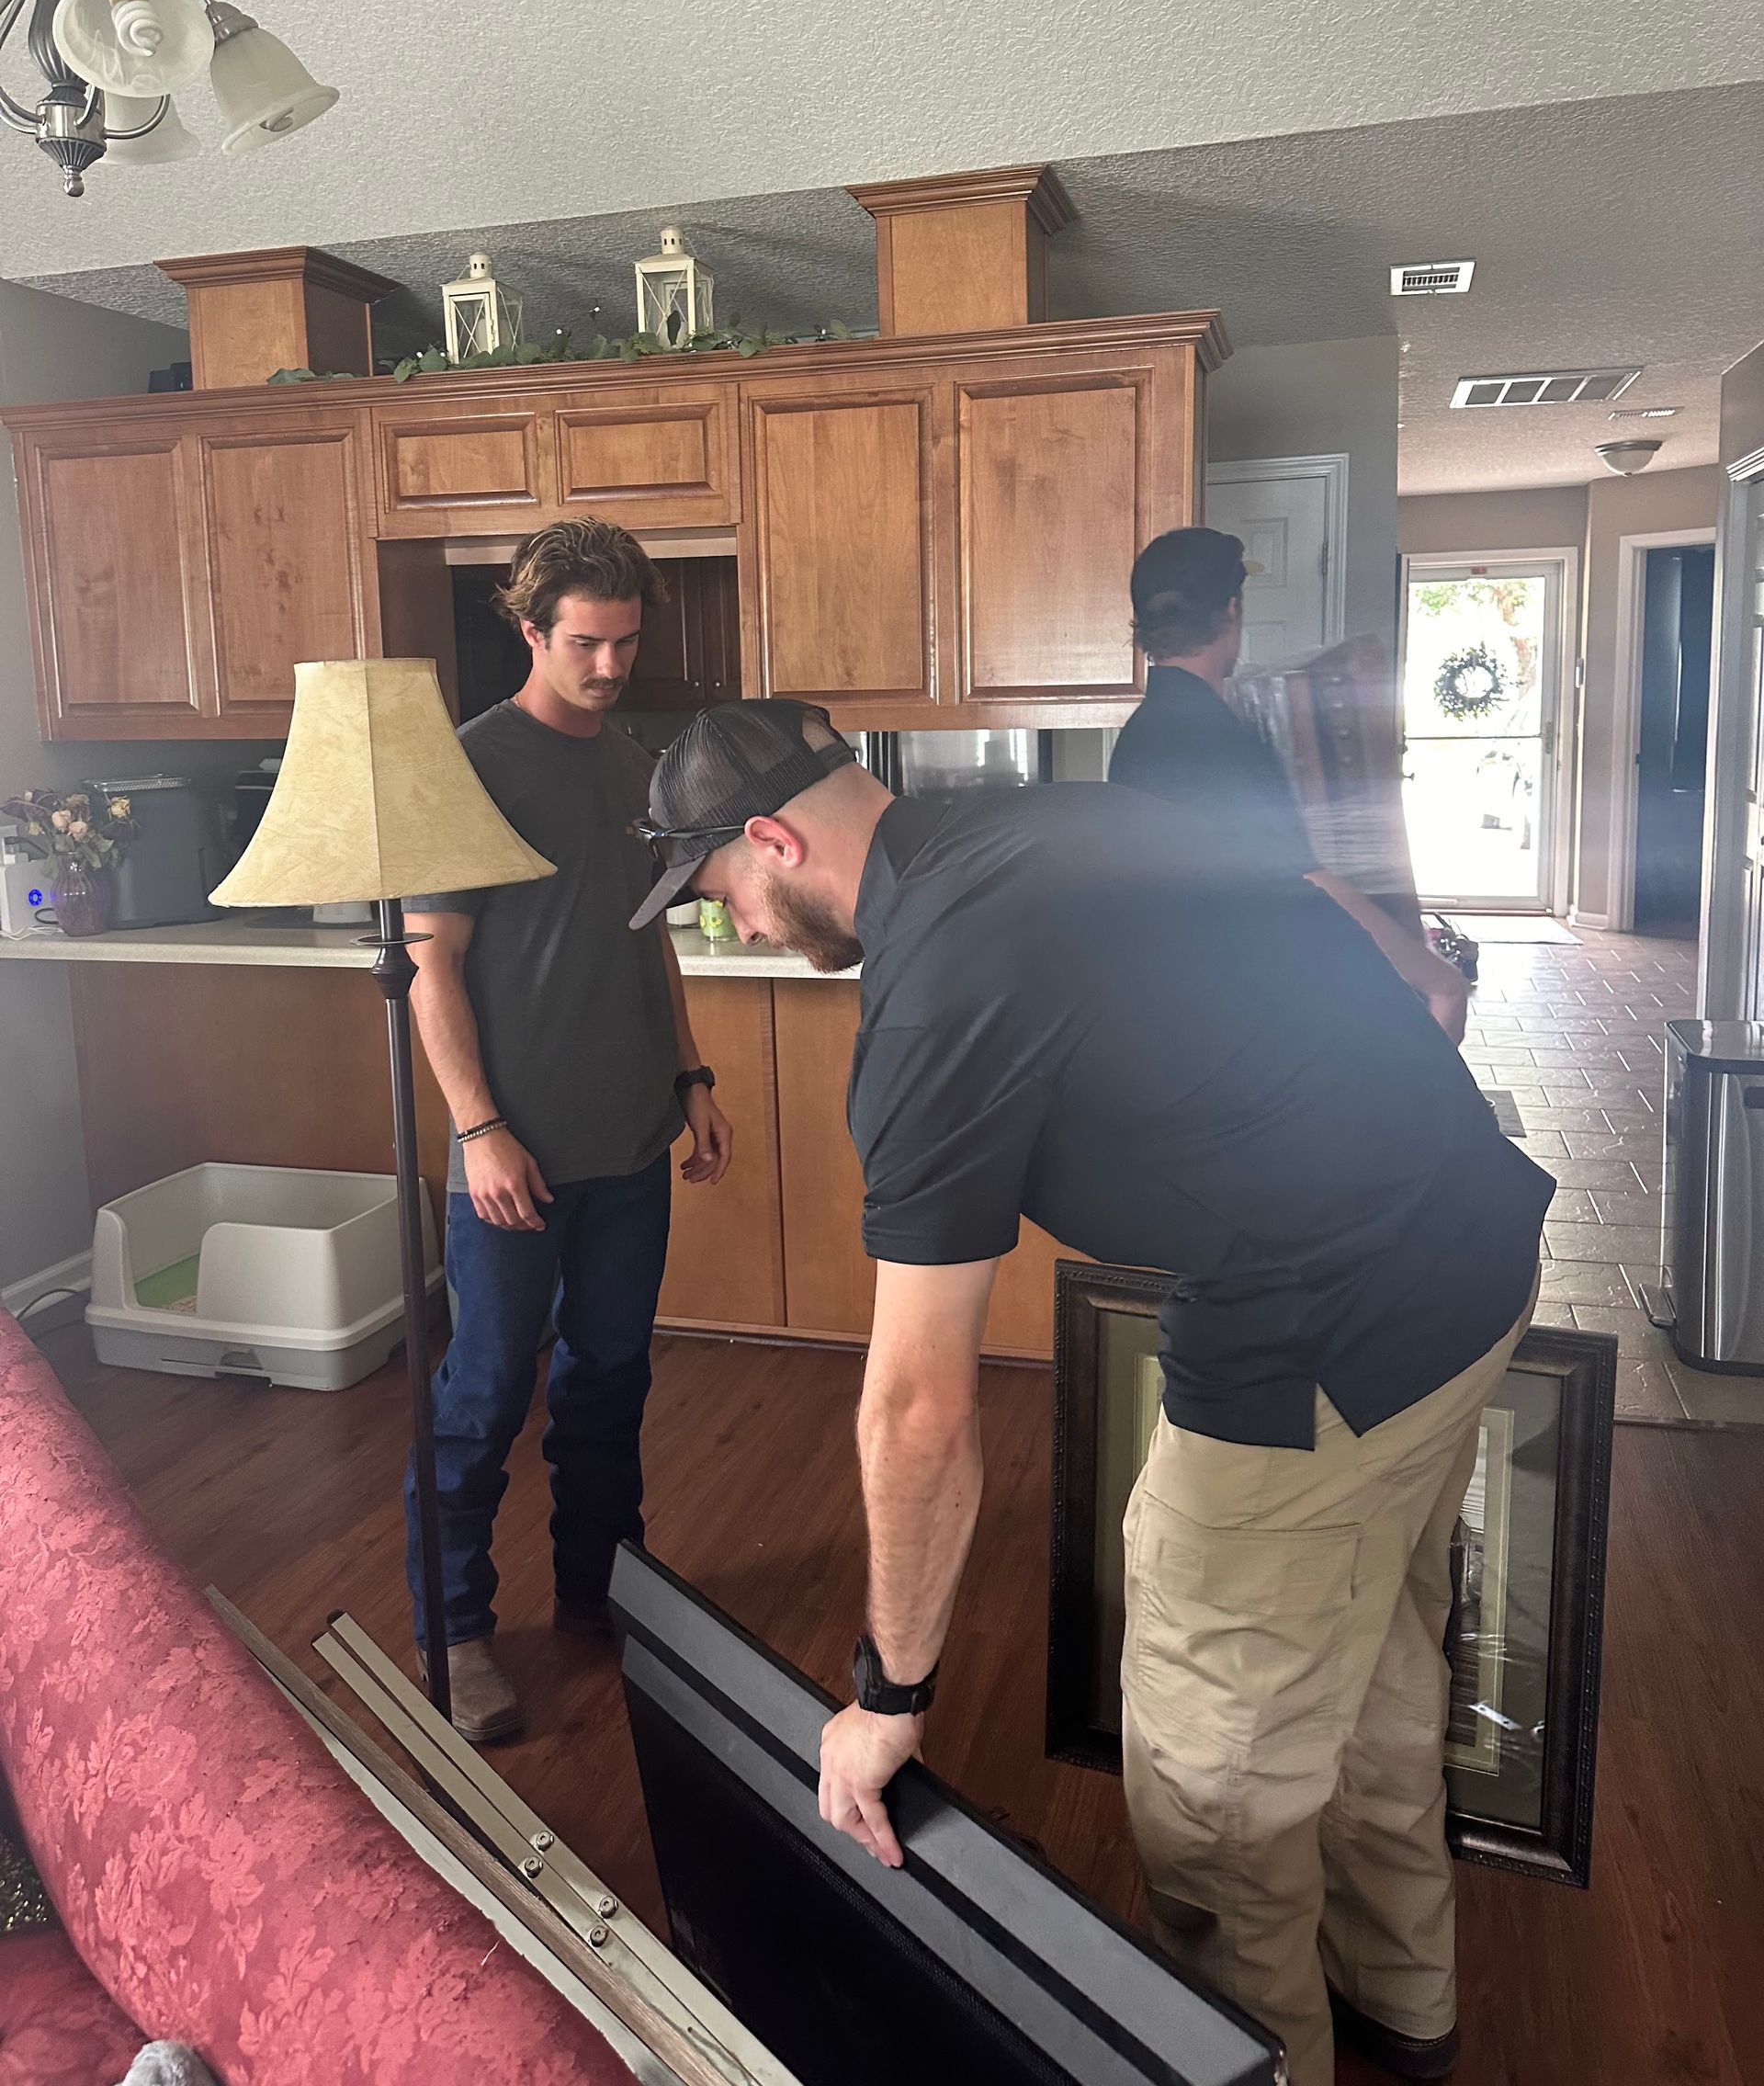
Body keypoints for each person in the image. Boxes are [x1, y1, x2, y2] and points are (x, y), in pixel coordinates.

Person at [628, 697, 1552, 2086]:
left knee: (1214, 1770)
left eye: (723, 898)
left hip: (1324, 1325)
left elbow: (918, 1410)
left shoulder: (934, 993)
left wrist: (892, 1695)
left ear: (774, 840)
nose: (736, 932)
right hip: (1475, 1244)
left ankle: (1267, 2061)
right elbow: (1307, 885)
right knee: (1371, 1660)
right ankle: (1406, 2013)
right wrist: (1419, 1007)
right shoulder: (1040, 815)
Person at [404, 518, 731, 1743]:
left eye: (626, 642)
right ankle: (455, 1631)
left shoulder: (634, 763)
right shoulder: (470, 766)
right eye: (586, 643)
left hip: (629, 1142)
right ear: (531, 632)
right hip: (512, 1158)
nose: (609, 665)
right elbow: (431, 967)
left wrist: (691, 1074)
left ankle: (604, 1592)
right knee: (484, 1396)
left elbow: (648, 931)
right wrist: (480, 1129)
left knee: (610, 1383)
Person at [1111, 527, 1470, 1043]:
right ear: (1233, 609)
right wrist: (1438, 980)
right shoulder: (1216, 740)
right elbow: (1311, 885)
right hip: (1233, 1020)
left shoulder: (1141, 737)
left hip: (1177, 1006)